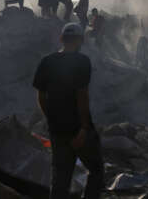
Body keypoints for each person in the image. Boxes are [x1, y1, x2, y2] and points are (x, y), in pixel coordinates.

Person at [33, 23, 104, 199]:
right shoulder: (82, 61)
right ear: (80, 40)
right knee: (96, 170)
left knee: (60, 179)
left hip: (57, 129)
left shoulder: (47, 62)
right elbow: (82, 96)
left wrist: (51, 118)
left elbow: (41, 97)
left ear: (61, 39)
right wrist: (84, 129)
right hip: (77, 128)